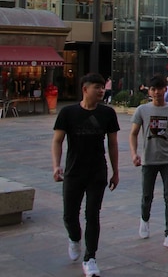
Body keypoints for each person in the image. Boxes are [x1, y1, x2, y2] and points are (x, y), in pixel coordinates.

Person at [51, 73, 120, 277]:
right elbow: (57, 141)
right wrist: (56, 166)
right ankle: (74, 238)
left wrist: (116, 172)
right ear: (85, 89)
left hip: (97, 171)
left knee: (92, 214)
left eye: (102, 87)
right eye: (96, 87)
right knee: (69, 215)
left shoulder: (107, 113)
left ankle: (90, 258)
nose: (101, 90)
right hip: (73, 171)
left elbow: (113, 144)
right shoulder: (68, 113)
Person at [129, 75, 168, 251]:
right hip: (148, 160)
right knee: (147, 196)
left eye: (160, 88)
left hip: (167, 159)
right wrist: (134, 153)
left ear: (165, 89)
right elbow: (133, 133)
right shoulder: (142, 110)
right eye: (154, 89)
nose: (157, 92)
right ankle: (144, 220)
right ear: (149, 91)